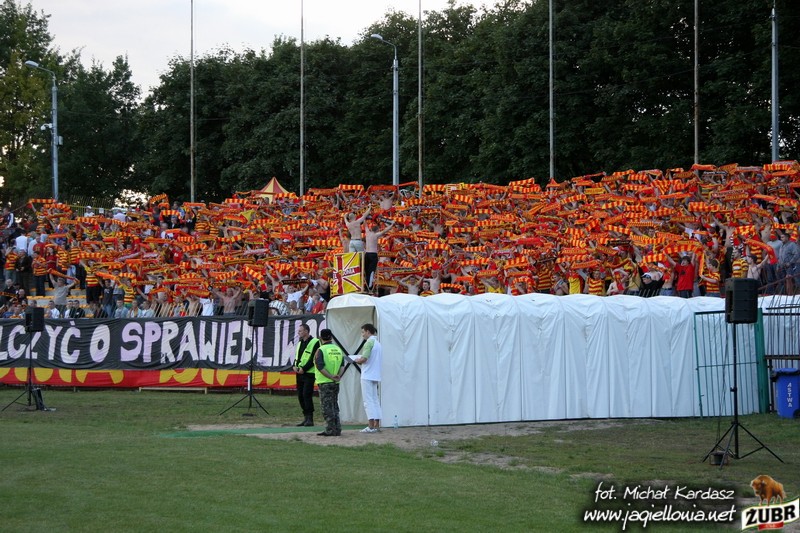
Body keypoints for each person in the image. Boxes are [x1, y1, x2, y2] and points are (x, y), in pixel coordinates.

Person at [351, 323, 382, 433]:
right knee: (375, 399)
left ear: (368, 331)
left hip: (367, 375)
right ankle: (377, 425)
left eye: (363, 332)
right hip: (375, 374)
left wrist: (356, 360)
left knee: (368, 400)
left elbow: (364, 358)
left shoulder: (369, 343)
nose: (362, 334)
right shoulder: (378, 343)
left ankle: (371, 425)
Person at [314, 328, 344, 437]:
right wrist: (338, 376)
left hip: (325, 382)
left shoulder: (320, 350)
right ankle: (337, 428)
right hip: (336, 382)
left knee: (326, 407)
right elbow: (342, 366)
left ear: (320, 338)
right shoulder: (338, 349)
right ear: (331, 337)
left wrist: (330, 376)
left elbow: (320, 366)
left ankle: (330, 429)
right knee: (334, 405)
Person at [293, 324, 321, 427]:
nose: (298, 332)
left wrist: (304, 369)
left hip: (309, 373)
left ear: (306, 331)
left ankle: (310, 418)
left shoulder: (315, 342)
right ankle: (305, 417)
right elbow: (297, 357)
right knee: (300, 395)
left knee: (306, 395)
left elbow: (313, 358)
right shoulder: (300, 343)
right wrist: (294, 365)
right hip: (299, 373)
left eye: (300, 331)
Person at [364, 218, 395, 292]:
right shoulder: (376, 235)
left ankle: (365, 285)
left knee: (366, 271)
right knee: (372, 271)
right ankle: (369, 287)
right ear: (377, 230)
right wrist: (392, 225)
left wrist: (365, 218)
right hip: (373, 254)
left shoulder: (367, 233)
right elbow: (385, 230)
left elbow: (365, 225)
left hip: (367, 254)